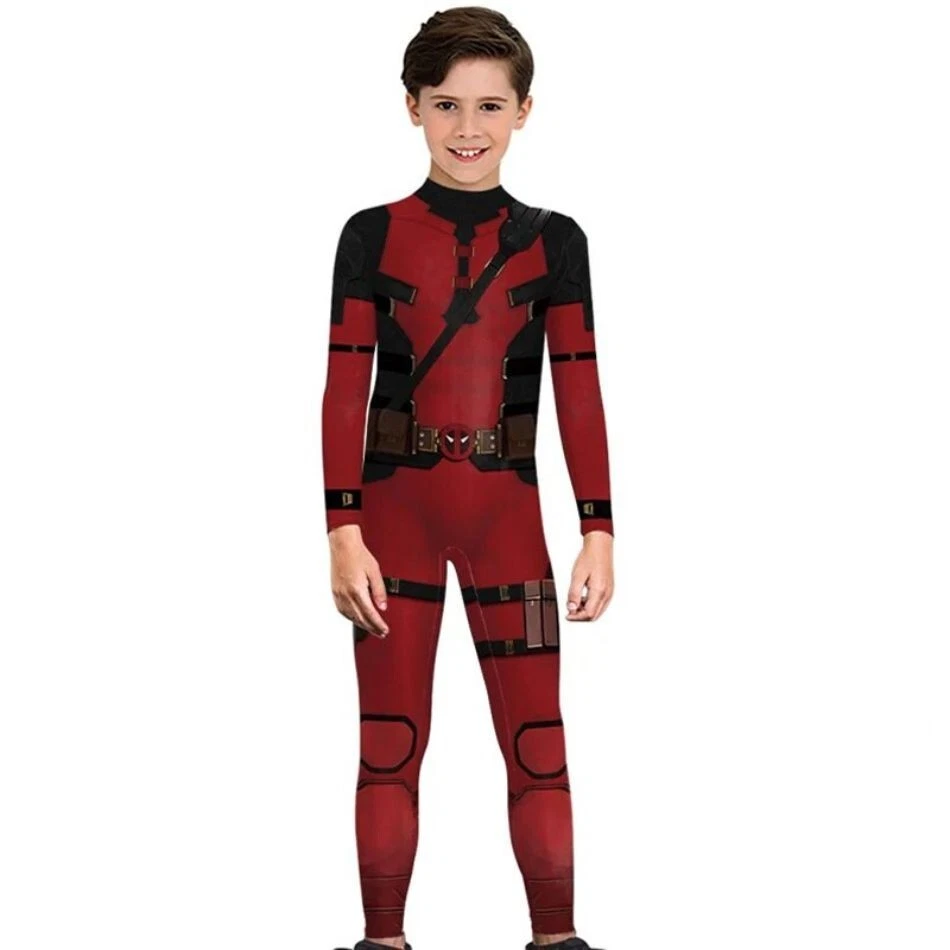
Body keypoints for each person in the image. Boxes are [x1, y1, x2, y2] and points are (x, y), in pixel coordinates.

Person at [323, 8, 614, 950]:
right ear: (412, 106)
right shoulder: (369, 235)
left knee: (538, 741)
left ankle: (557, 938)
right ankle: (382, 940)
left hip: (510, 521)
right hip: (392, 520)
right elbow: (345, 385)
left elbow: (579, 387)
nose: (467, 127)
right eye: (446, 103)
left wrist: (599, 527)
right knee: (389, 742)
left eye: (490, 105)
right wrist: (342, 529)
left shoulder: (556, 242)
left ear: (525, 110)